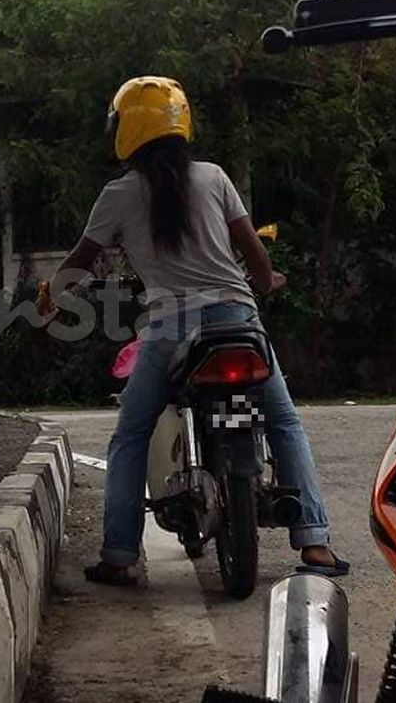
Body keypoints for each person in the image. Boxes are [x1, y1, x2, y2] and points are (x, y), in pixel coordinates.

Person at [36, 75, 349, 586]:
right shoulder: (215, 178)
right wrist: (268, 281)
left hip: (171, 333)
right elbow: (255, 254)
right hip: (236, 321)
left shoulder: (118, 195)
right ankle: (314, 542)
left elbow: (78, 263)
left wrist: (51, 301)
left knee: (131, 433)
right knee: (284, 421)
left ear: (125, 130)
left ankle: (119, 555)